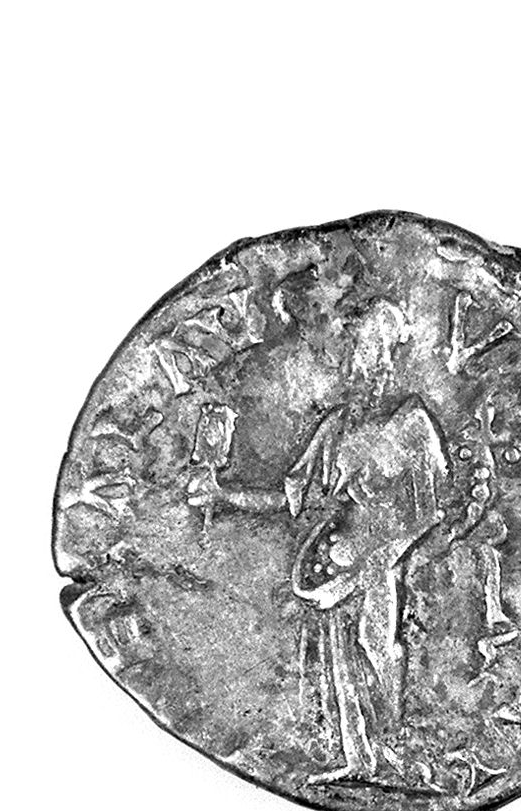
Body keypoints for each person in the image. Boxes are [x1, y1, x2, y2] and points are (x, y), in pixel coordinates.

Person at [187, 299, 448, 783]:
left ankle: (395, 756)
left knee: (377, 649)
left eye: (373, 347)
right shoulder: (336, 426)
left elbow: (428, 513)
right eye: (357, 347)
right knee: (339, 664)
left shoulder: (413, 424)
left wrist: (377, 561)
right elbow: (289, 500)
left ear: (389, 354)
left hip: (378, 564)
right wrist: (222, 494)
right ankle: (357, 759)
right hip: (328, 566)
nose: (363, 360)